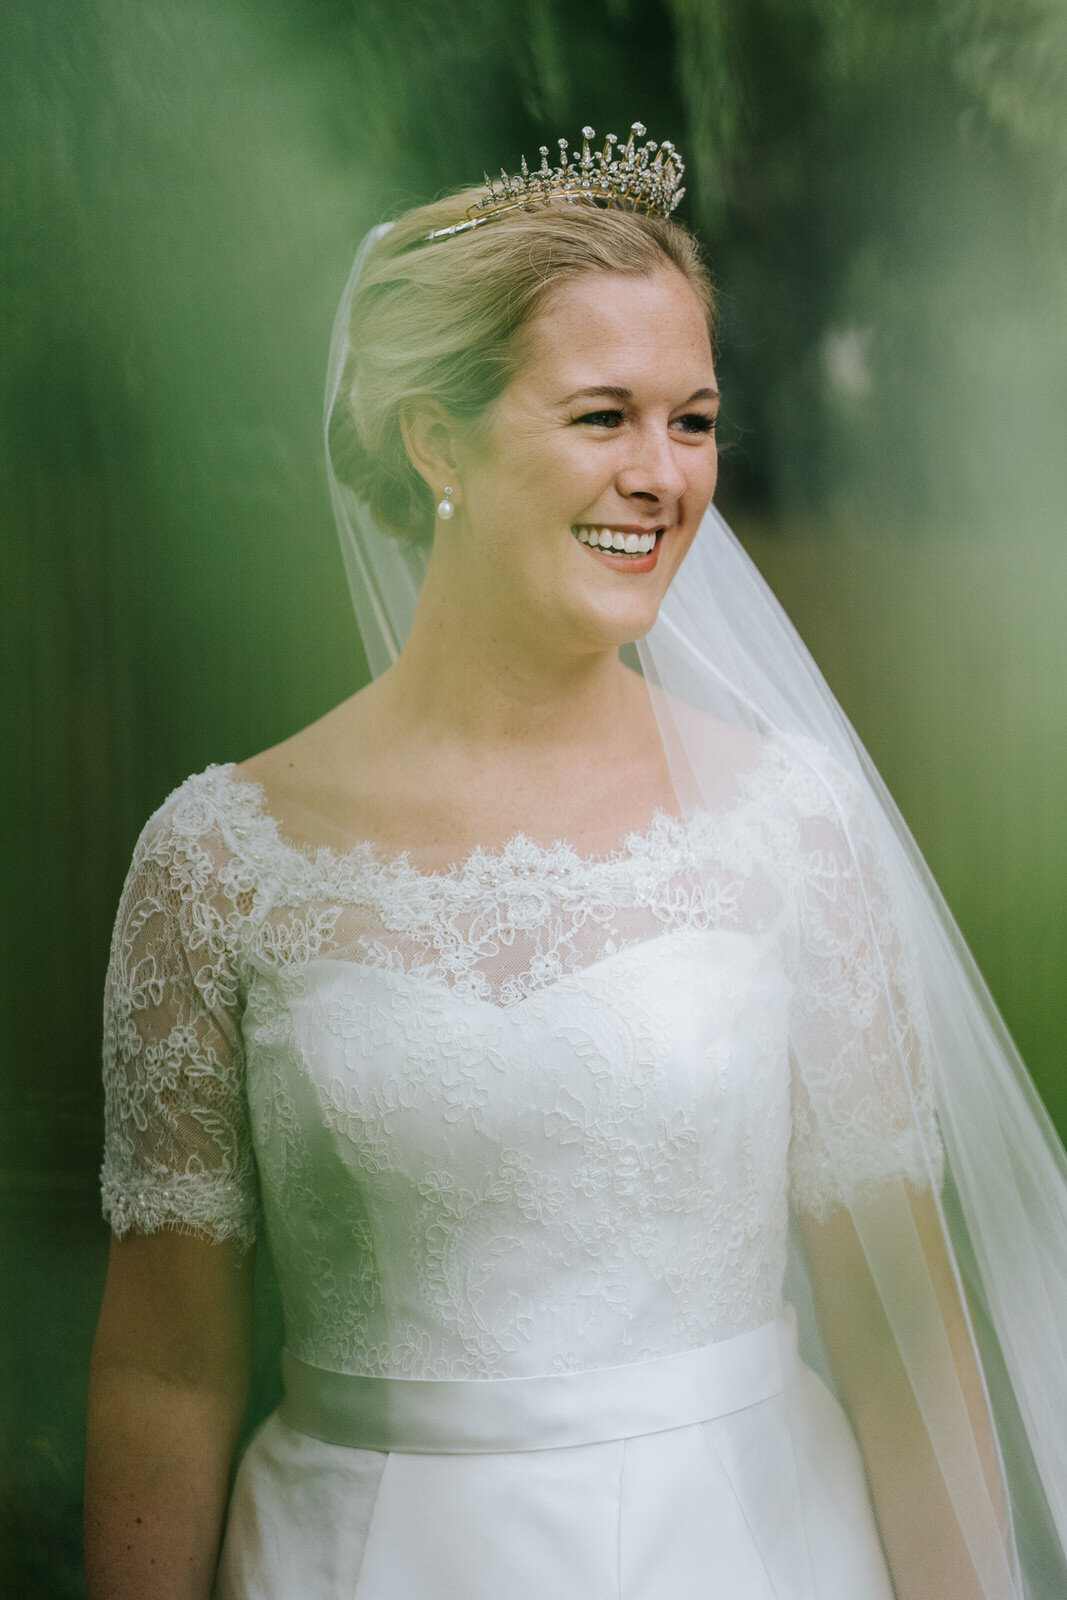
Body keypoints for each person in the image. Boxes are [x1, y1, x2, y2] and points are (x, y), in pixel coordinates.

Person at [84, 126, 1067, 1600]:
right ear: (437, 441)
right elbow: (165, 1367)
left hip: (746, 1549)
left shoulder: (790, 827)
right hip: (354, 1560)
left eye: (695, 419)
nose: (663, 479)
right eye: (603, 416)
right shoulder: (219, 861)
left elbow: (900, 1340)